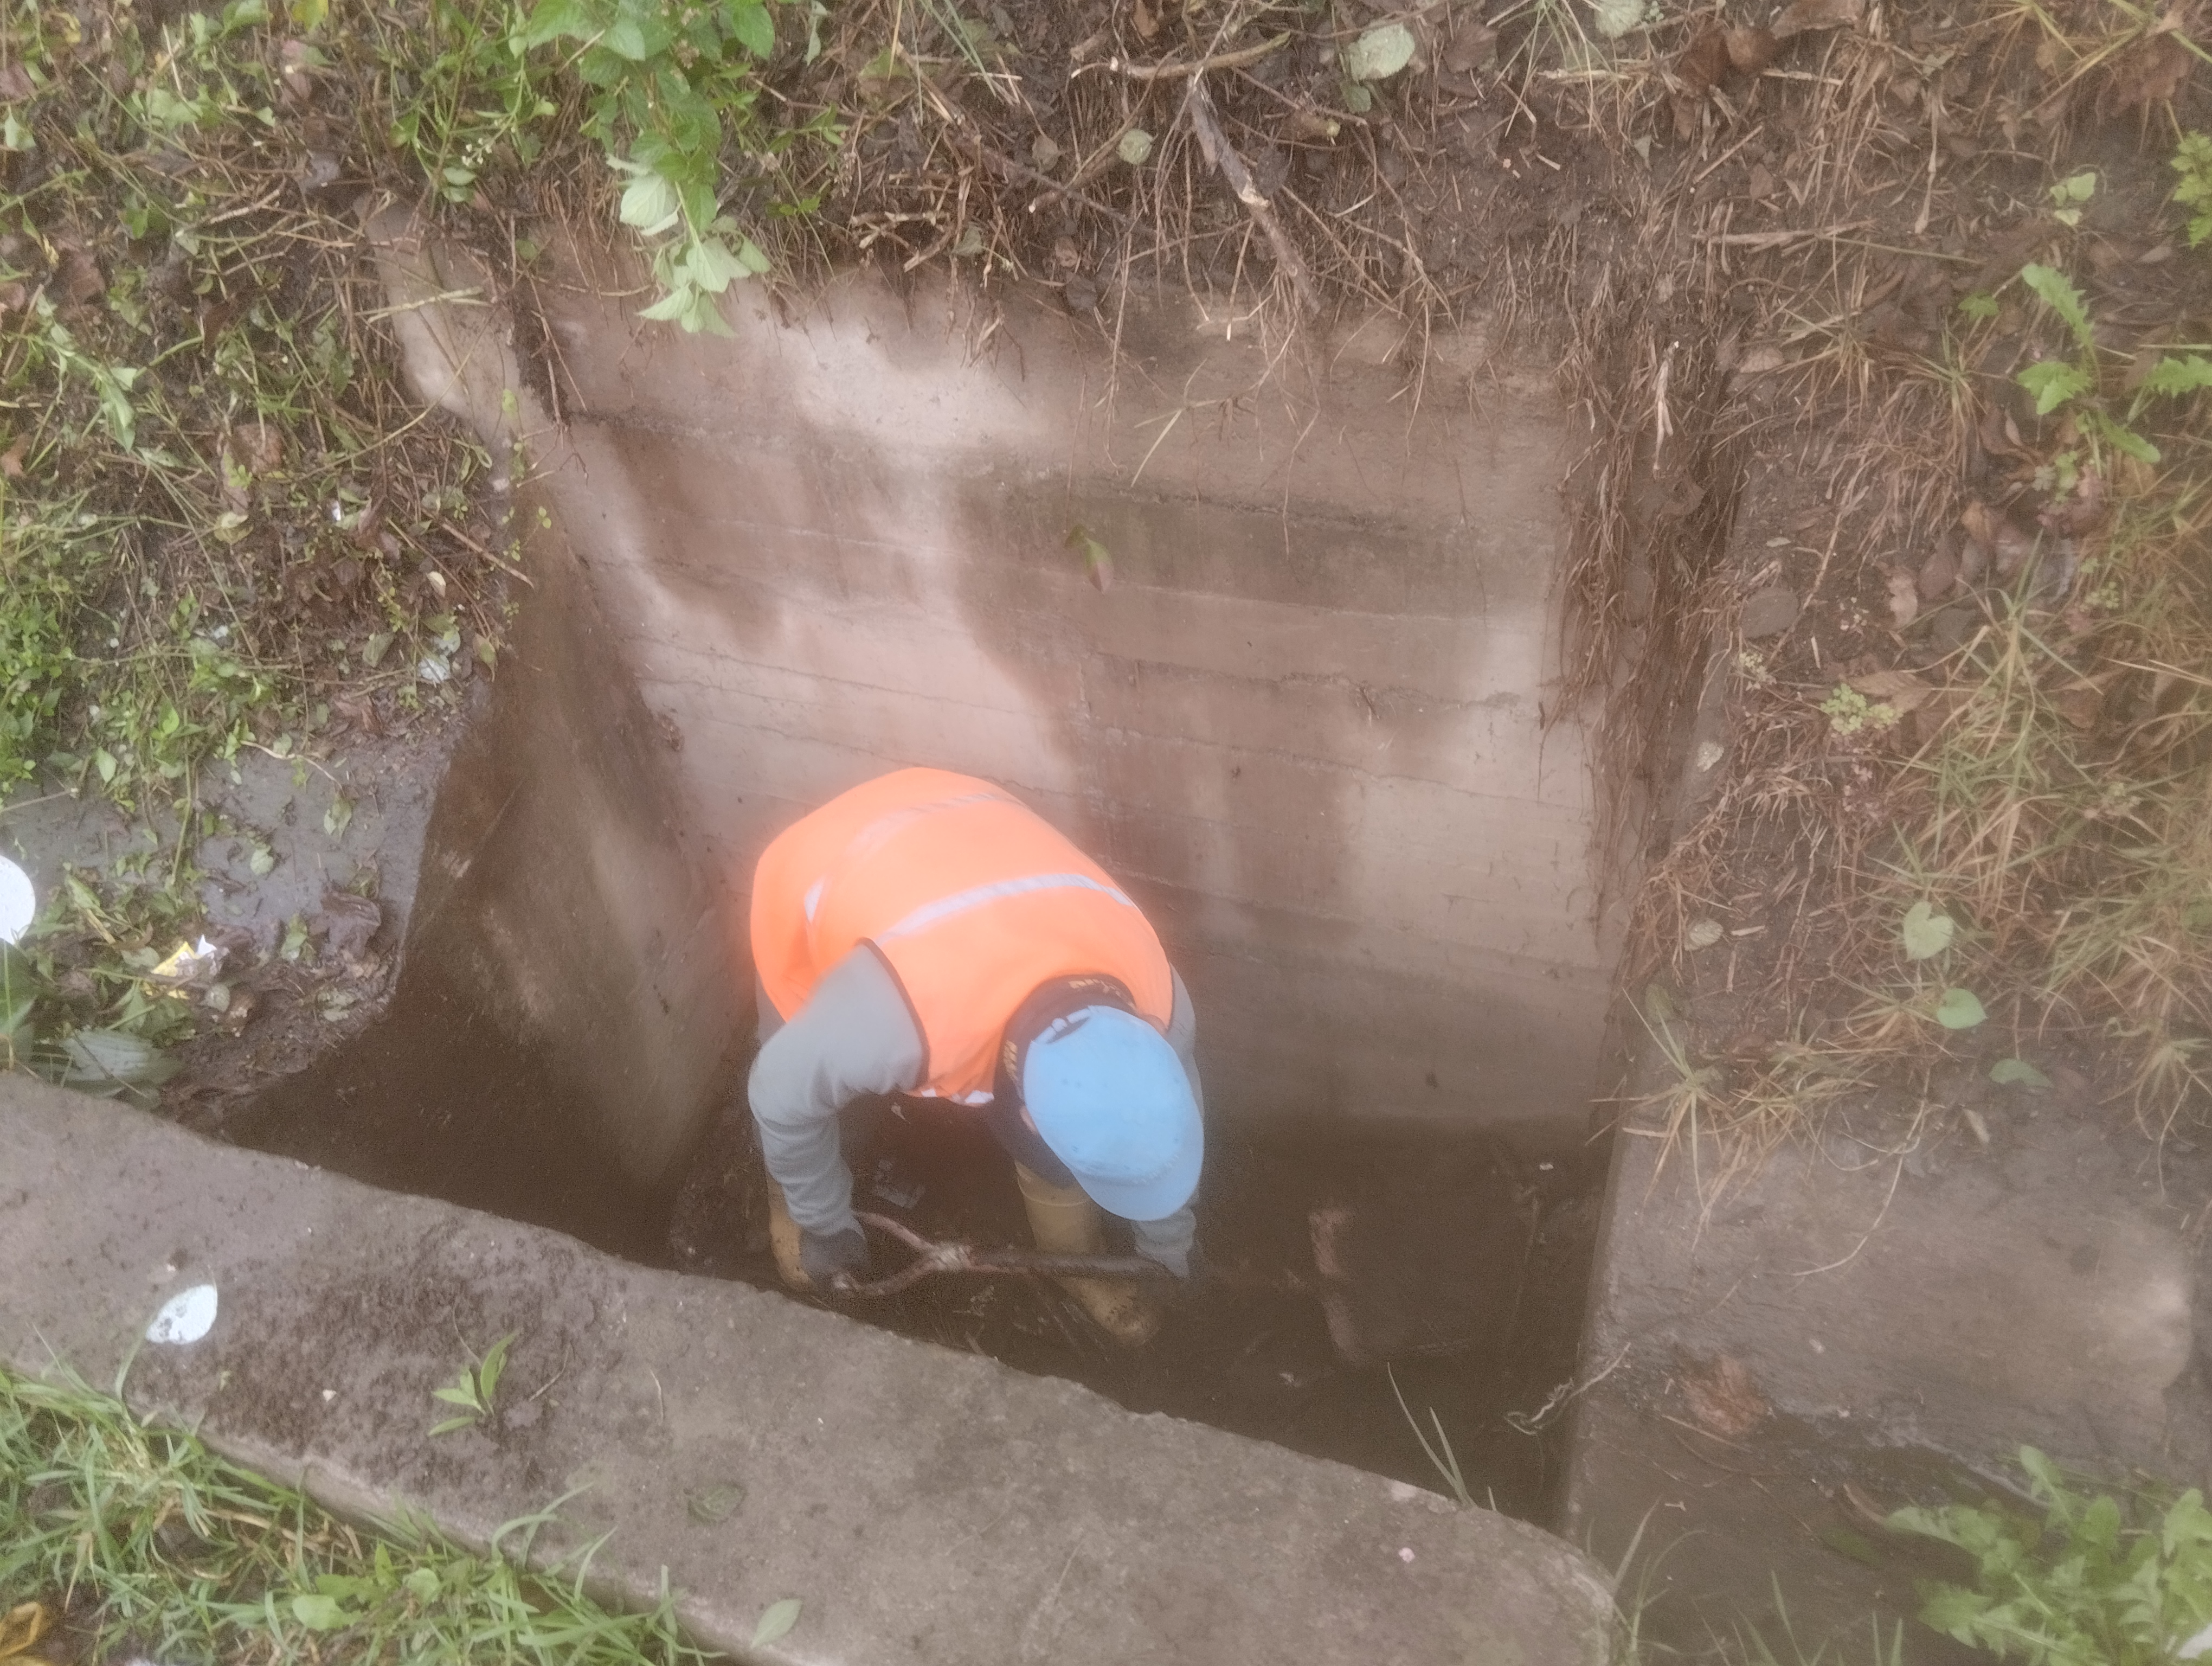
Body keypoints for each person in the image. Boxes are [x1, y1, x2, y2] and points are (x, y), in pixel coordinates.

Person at [744, 766, 1205, 1345]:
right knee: (799, 1087)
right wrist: (824, 1225)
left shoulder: (1159, 998)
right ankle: (787, 1205)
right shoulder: (901, 1021)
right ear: (1027, 1118)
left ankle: (1073, 1260)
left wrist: (1166, 1252)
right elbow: (779, 1095)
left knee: (1055, 1145)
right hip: (821, 872)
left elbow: (1167, 1136)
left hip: (969, 823)